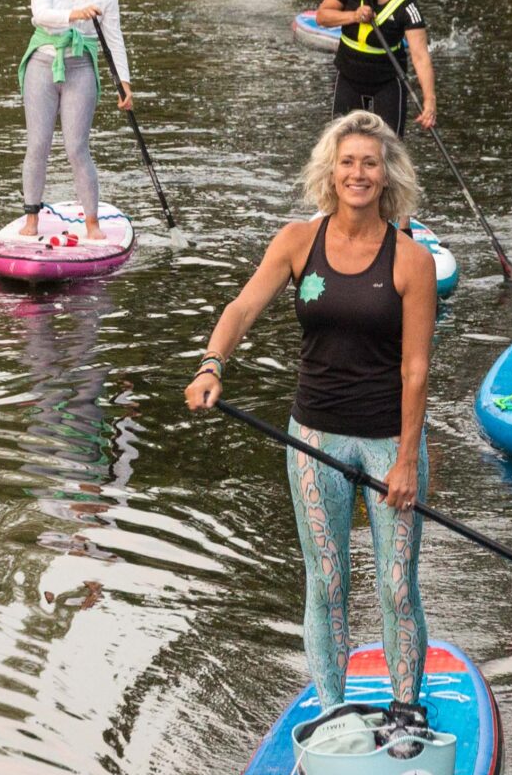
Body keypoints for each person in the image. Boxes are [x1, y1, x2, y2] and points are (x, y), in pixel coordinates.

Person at [186, 111, 437, 717]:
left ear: (387, 175)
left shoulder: (412, 261)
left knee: (396, 587)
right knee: (326, 582)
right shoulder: (298, 242)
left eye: (370, 163)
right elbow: (242, 308)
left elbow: (416, 370)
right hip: (315, 438)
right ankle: (332, 712)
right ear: (331, 171)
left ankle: (406, 710)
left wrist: (406, 460)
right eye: (347, 162)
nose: (358, 173)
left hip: (388, 441)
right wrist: (212, 363)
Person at [21, 0, 133, 241]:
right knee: (38, 144)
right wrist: (75, 13)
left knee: (76, 148)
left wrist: (124, 83)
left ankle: (92, 224)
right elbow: (40, 14)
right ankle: (31, 219)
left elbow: (113, 38)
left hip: (81, 66)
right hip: (42, 65)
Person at [313, 0, 437, 136]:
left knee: (389, 148)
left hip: (387, 82)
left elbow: (421, 56)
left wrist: (429, 101)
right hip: (349, 76)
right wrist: (353, 16)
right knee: (342, 142)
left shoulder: (408, 5)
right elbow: (322, 16)